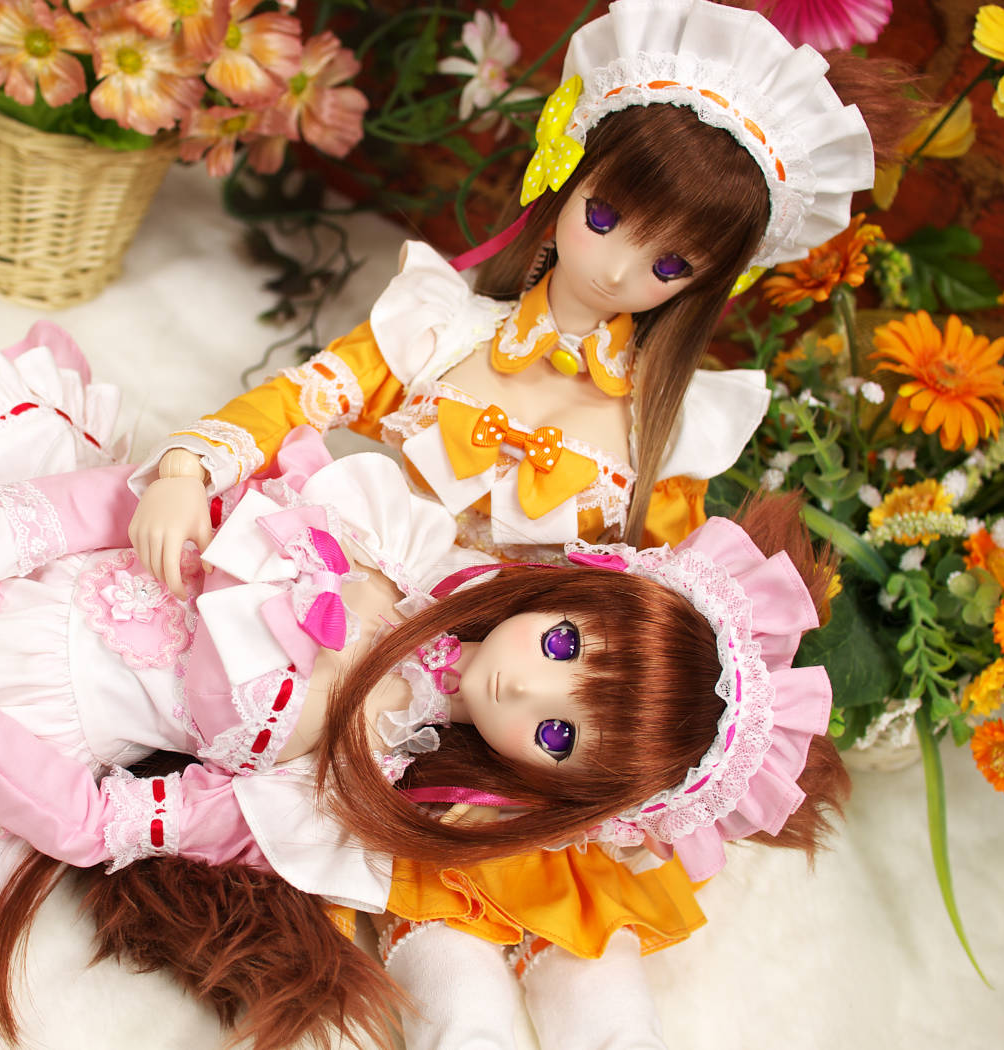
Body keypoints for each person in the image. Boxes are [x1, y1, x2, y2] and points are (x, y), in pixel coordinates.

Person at [0, 313, 843, 1050]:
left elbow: (92, 822)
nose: (527, 695)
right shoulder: (389, 537)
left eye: (557, 739)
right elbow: (130, 506)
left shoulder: (335, 799)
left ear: (556, 793)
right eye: (566, 651)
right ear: (577, 590)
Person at [123, 1, 911, 1044]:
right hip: (360, 641)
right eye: (607, 216)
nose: (618, 270)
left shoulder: (664, 431)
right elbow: (299, 399)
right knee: (444, 943)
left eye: (668, 265)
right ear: (565, 173)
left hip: (531, 693)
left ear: (704, 283)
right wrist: (190, 464)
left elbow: (658, 603)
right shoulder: (440, 330)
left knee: (587, 939)